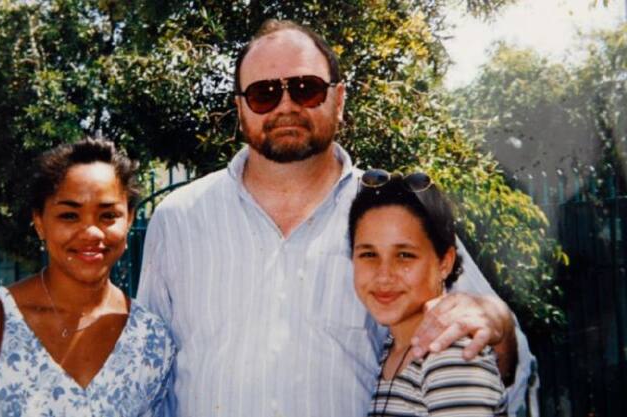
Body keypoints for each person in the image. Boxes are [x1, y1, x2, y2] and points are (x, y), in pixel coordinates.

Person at [138, 19, 534, 416]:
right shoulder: (179, 221)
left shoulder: (397, 212)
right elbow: (149, 380)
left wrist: (498, 327)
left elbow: (506, 362)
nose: (286, 106)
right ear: (240, 107)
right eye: (263, 94)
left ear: (339, 98)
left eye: (306, 88)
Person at [0, 138, 175, 416]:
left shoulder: (151, 339)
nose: (91, 233)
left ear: (130, 219)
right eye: (70, 215)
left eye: (108, 215)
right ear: (39, 222)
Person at [350, 170, 506, 416]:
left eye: (404, 255)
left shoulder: (450, 357)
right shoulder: (393, 349)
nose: (384, 276)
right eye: (369, 254)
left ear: (444, 262)